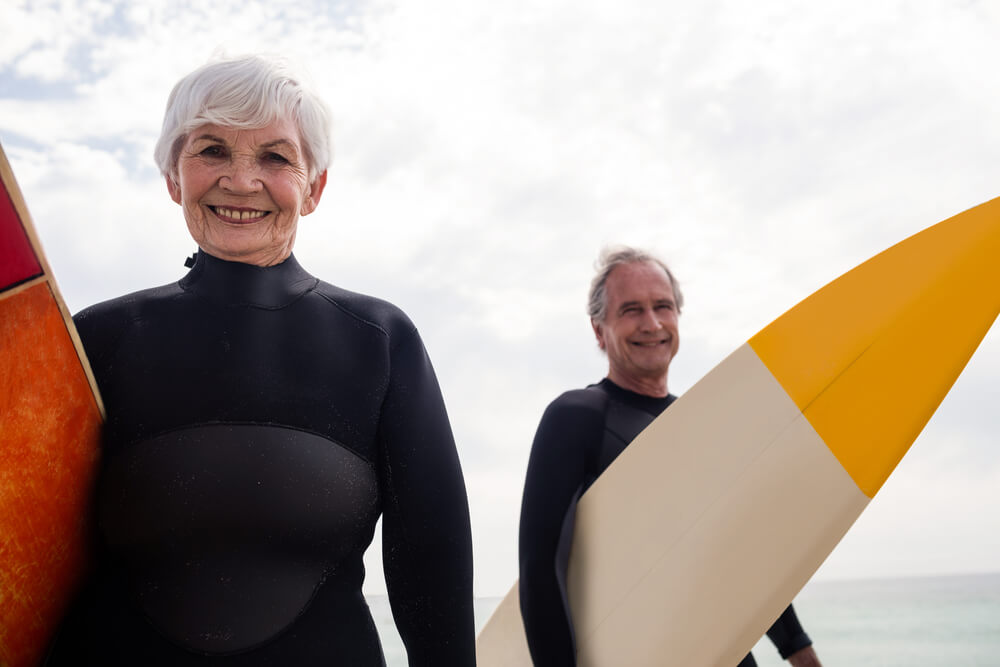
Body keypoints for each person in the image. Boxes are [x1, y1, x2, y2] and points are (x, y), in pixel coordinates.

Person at [45, 54, 475, 666]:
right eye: (211, 150)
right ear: (174, 176)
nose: (241, 181)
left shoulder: (379, 340)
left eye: (274, 156)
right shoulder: (98, 338)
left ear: (314, 186)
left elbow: (432, 561)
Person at [518, 246, 822, 666]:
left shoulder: (700, 425)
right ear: (598, 329)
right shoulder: (576, 418)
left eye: (663, 306)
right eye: (631, 310)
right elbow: (541, 569)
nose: (653, 323)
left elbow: (737, 557)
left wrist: (799, 651)